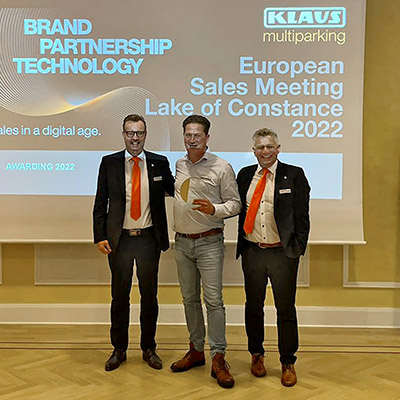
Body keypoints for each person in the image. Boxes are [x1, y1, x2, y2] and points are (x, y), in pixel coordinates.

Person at [93, 114, 174, 371]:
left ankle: (149, 348)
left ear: (146, 134)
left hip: (149, 238)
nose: (135, 138)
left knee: (150, 296)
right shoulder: (110, 163)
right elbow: (100, 202)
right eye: (130, 133)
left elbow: (175, 189)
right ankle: (119, 349)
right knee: (120, 296)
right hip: (120, 241)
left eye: (139, 133)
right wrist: (100, 235)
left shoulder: (159, 163)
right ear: (123, 134)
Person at [170, 115, 241, 389]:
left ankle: (219, 357)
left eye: (197, 135)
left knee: (213, 301)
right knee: (189, 299)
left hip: (210, 242)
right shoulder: (178, 164)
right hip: (182, 243)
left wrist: (216, 210)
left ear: (207, 138)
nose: (191, 139)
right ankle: (196, 350)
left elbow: (235, 204)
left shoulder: (222, 167)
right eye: (187, 134)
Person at [236, 128, 310, 387]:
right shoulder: (245, 175)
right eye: (260, 147)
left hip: (283, 253)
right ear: (253, 150)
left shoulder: (295, 175)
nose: (265, 151)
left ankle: (288, 361)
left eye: (270, 147)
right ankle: (256, 354)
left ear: (278, 149)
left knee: (285, 309)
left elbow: (302, 217)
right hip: (253, 251)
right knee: (253, 307)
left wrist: (297, 249)